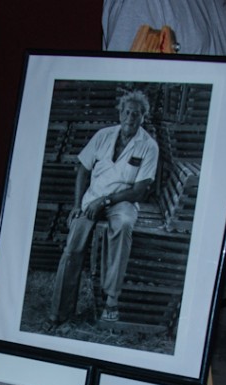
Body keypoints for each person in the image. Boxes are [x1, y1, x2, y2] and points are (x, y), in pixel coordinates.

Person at [102, 0, 226, 303]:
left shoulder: (217, 4)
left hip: (218, 161)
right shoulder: (141, 4)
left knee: (211, 292)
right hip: (161, 175)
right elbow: (121, 81)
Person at [47, 89, 159, 327]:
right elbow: (83, 169)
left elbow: (140, 190)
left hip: (123, 201)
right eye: (126, 112)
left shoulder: (149, 146)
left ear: (143, 117)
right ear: (120, 113)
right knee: (73, 245)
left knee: (124, 224)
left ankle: (111, 300)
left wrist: (106, 201)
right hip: (93, 198)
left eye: (136, 114)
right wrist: (77, 205)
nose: (130, 117)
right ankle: (60, 311)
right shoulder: (103, 135)